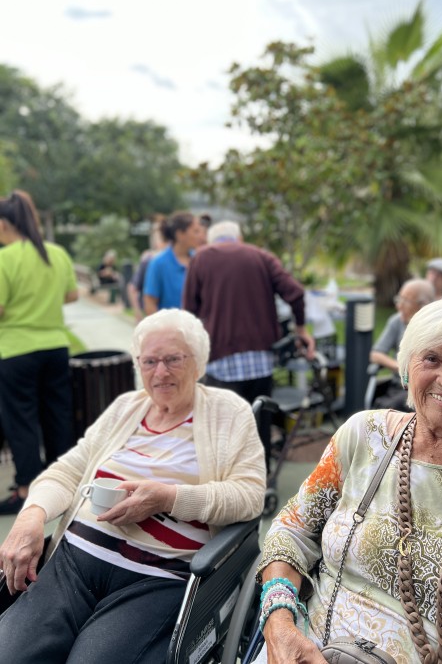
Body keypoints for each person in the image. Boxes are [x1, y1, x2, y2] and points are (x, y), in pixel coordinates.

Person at [254, 297, 442, 663]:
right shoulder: (365, 435)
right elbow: (292, 530)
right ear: (406, 368)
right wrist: (279, 621)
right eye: (432, 359)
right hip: (311, 648)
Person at [0, 308, 266, 663]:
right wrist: (31, 516)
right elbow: (68, 471)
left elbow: (249, 496)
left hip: (157, 574)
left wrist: (168, 498)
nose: (160, 372)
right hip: (75, 562)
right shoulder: (126, 407)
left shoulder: (229, 412)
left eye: (173, 359)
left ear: (198, 362)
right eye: (149, 361)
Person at [183, 220, 315, 469]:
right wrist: (301, 329)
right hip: (261, 361)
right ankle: (261, 479)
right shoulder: (261, 257)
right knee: (259, 423)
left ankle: (227, 481)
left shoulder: (201, 258)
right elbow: (296, 292)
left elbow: (189, 311)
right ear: (239, 238)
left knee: (223, 429)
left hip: (221, 359)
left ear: (212, 241)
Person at [0, 190, 78, 514]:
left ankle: (26, 489)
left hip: (16, 349)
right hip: (56, 347)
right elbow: (72, 295)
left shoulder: (5, 258)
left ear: (4, 224)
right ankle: (63, 485)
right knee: (57, 417)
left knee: (22, 422)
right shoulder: (56, 253)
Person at [370, 278, 435, 411]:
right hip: (401, 386)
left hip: (428, 389)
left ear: (423, 305)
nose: (399, 306)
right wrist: (400, 367)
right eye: (399, 299)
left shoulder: (438, 328)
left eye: (405, 301)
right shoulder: (397, 321)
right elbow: (375, 354)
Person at [143, 211, 202, 314]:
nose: (200, 236)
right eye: (195, 231)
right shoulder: (158, 263)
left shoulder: (199, 261)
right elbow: (150, 303)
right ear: (180, 234)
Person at [127, 216, 169, 322]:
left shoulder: (148, 258)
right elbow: (132, 288)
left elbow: (132, 288)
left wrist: (137, 313)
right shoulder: (149, 259)